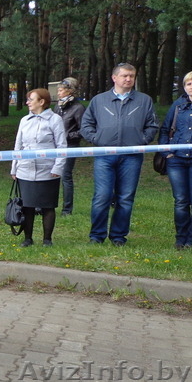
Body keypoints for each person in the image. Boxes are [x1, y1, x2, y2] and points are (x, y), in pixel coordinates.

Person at [81, 63, 158, 246]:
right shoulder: (99, 100)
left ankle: (118, 236)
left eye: (132, 76)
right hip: (104, 156)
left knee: (125, 197)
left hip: (131, 156)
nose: (129, 79)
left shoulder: (144, 100)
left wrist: (141, 140)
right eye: (125, 76)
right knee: (102, 196)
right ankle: (96, 236)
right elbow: (86, 124)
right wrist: (97, 139)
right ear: (114, 78)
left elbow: (152, 125)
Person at [11, 88, 67, 247]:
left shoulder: (55, 119)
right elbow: (18, 146)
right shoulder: (24, 120)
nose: (27, 102)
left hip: (47, 170)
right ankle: (28, 238)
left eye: (31, 99)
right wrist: (14, 168)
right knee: (27, 206)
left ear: (41, 102)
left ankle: (47, 239)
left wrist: (57, 168)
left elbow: (62, 146)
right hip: (25, 170)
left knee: (48, 206)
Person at [159, 70, 192, 250]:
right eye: (189, 84)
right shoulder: (177, 105)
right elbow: (165, 129)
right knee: (181, 200)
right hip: (176, 159)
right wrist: (166, 152)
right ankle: (180, 239)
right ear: (184, 86)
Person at [53, 77, 85, 216]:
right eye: (58, 90)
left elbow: (84, 130)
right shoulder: (57, 107)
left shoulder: (78, 108)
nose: (58, 93)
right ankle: (46, 205)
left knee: (65, 176)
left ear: (70, 91)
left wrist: (67, 136)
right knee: (51, 176)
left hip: (70, 147)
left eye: (61, 90)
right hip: (54, 147)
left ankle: (67, 210)